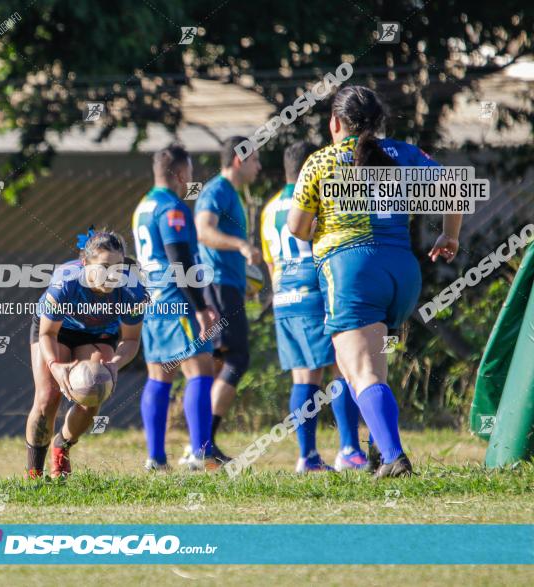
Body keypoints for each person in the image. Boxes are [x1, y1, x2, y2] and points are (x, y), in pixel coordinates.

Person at [287, 86, 462, 478]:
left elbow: (296, 227)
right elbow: (453, 188)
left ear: (335, 123)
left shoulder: (321, 162)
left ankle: (395, 456)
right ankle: (377, 453)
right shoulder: (403, 153)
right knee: (373, 370)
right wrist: (449, 236)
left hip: (352, 272)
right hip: (402, 272)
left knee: (359, 370)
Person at [261, 141, 367, 473]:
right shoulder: (317, 195)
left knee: (303, 377)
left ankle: (307, 457)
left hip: (284, 299)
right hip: (315, 293)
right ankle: (349, 450)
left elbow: (270, 263)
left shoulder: (268, 208)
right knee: (341, 367)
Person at [25, 230, 146, 478]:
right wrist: (55, 365)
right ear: (85, 263)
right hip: (56, 331)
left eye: (118, 267)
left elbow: (131, 340)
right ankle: (33, 475)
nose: (112, 275)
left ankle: (62, 446)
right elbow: (47, 334)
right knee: (48, 397)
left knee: (93, 392)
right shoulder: (66, 283)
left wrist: (114, 363)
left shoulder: (132, 289)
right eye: (103, 267)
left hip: (98, 335)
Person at [133, 144, 220, 472]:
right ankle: (201, 453)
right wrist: (200, 307)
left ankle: (156, 458)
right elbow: (179, 258)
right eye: (190, 175)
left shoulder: (142, 206)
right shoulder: (172, 207)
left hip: (153, 300)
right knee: (200, 369)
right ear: (180, 174)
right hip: (176, 299)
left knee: (160, 373)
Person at [191, 135, 262, 463]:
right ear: (239, 159)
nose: (259, 167)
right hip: (217, 285)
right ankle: (203, 444)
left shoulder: (229, 193)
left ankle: (199, 444)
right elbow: (203, 231)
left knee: (218, 360)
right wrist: (241, 246)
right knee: (236, 358)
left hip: (226, 285)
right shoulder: (217, 190)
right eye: (255, 160)